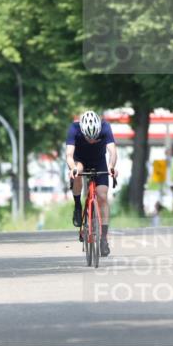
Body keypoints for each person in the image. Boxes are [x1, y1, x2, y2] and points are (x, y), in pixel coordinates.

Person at [66, 110, 118, 257]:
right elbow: (69, 154)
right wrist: (73, 168)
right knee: (78, 173)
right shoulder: (74, 129)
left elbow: (113, 151)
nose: (91, 140)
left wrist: (112, 167)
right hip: (80, 161)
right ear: (82, 130)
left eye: (94, 137)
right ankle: (77, 205)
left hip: (99, 161)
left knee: (102, 195)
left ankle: (104, 239)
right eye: (88, 137)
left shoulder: (105, 127)